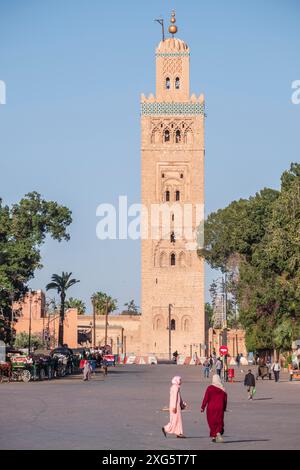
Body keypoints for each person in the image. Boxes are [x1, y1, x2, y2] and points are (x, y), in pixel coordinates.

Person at [201, 374, 227, 443]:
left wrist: (202, 407)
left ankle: (214, 436)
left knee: (211, 422)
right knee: (219, 421)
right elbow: (225, 400)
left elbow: (206, 398)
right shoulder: (223, 389)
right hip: (220, 408)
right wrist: (224, 408)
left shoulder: (210, 388)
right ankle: (218, 433)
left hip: (211, 408)